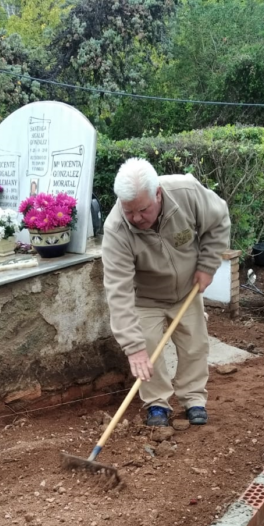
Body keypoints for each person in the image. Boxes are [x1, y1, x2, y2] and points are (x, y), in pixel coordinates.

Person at [102, 158, 231, 427]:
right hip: (146, 297)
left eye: (143, 210)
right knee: (148, 352)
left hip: (187, 290)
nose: (136, 218)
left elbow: (218, 221)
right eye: (129, 211)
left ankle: (193, 398)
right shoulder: (116, 230)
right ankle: (157, 403)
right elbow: (118, 289)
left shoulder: (187, 193)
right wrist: (133, 346)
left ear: (157, 193)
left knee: (195, 345)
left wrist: (207, 266)